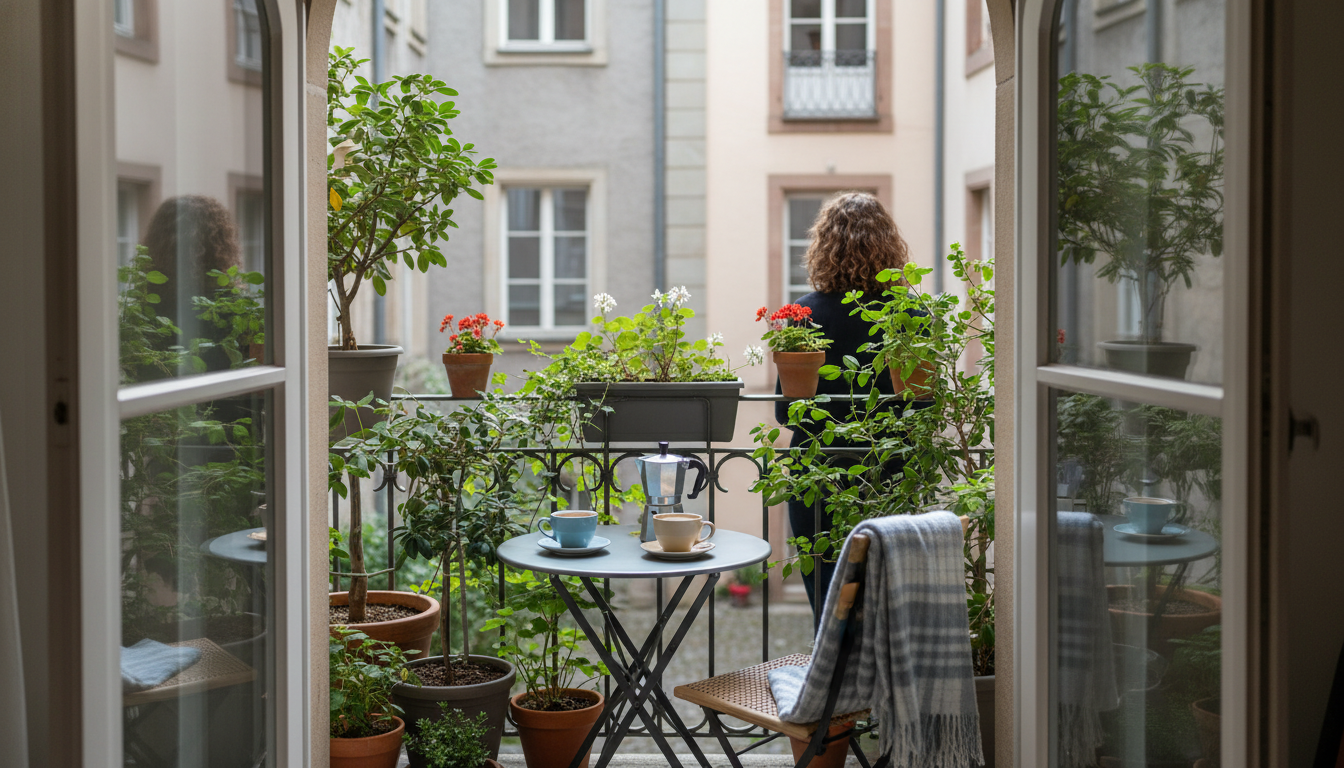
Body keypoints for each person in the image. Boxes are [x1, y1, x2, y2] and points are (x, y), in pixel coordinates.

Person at [773, 192, 925, 614]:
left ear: (824, 246)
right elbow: (924, 407)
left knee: (826, 599)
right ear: (890, 245)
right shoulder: (910, 313)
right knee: (884, 599)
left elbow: (786, 412)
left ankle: (828, 659)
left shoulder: (803, 315)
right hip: (890, 471)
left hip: (817, 474)